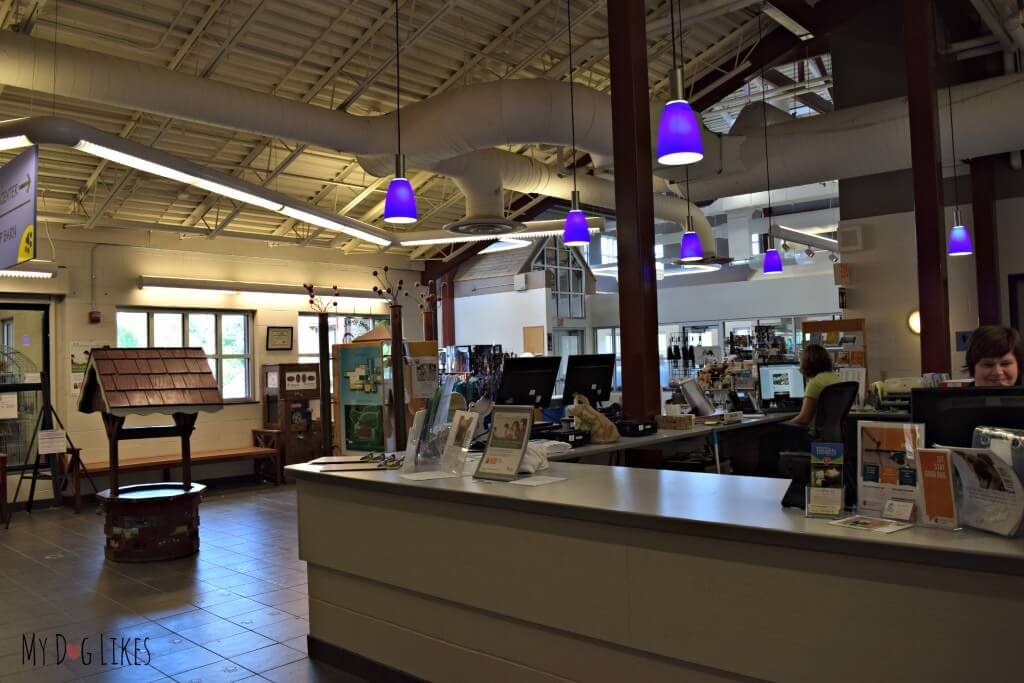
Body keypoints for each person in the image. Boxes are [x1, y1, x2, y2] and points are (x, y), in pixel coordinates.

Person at [789, 344, 839, 426]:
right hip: (834, 433)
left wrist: (785, 424)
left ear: (806, 363)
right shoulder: (834, 378)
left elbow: (804, 418)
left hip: (813, 434)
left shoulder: (815, 383)